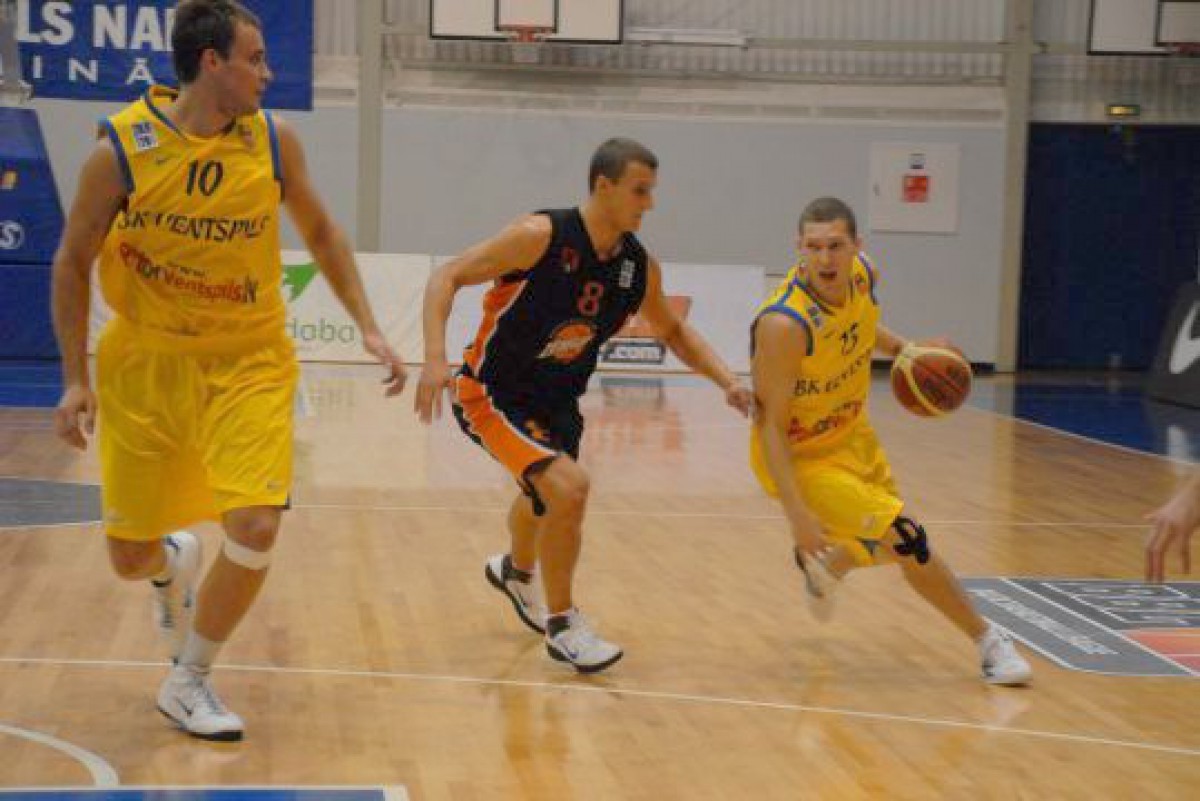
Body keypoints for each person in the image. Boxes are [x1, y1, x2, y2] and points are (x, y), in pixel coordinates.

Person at [50, 0, 405, 741]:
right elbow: (73, 259)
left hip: (249, 359)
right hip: (146, 364)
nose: (267, 73)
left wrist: (369, 323)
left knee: (255, 523)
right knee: (128, 557)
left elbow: (322, 231)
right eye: (255, 59)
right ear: (211, 62)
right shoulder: (120, 150)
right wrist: (75, 377)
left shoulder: (273, 141)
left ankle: (190, 677)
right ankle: (166, 564)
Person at [416, 137, 753, 673]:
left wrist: (727, 381)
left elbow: (672, 330)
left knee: (545, 498)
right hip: (493, 393)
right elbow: (447, 275)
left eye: (651, 191)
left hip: (558, 402)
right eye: (640, 191)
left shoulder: (638, 267)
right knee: (569, 488)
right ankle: (564, 626)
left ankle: (515, 571)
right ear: (604, 185)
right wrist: (435, 357)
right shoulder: (539, 236)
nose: (650, 203)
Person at [748, 196, 1031, 686]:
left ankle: (830, 565)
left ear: (857, 246)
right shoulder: (785, 325)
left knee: (882, 544)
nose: (825, 258)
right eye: (814, 247)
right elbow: (771, 425)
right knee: (907, 539)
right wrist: (796, 515)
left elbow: (861, 324)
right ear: (799, 247)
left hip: (852, 436)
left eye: (836, 245)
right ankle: (989, 643)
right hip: (803, 459)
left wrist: (904, 350)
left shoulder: (864, 276)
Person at [1145, 469, 1200, 582]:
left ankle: (1154, 583)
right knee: (1154, 549)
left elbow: (1182, 545)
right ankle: (1151, 583)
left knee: (1155, 549)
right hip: (1183, 508)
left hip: (1184, 509)